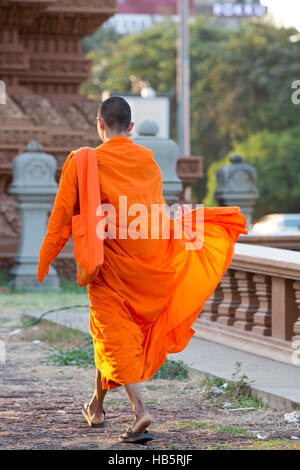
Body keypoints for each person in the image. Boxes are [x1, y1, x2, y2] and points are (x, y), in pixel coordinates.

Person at [37, 96, 248, 443]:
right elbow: (153, 212)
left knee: (112, 337)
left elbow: (61, 216)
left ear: (99, 124)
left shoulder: (83, 161)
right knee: (107, 336)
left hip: (108, 266)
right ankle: (97, 407)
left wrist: (46, 257)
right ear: (131, 128)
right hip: (146, 261)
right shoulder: (147, 162)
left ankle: (140, 411)